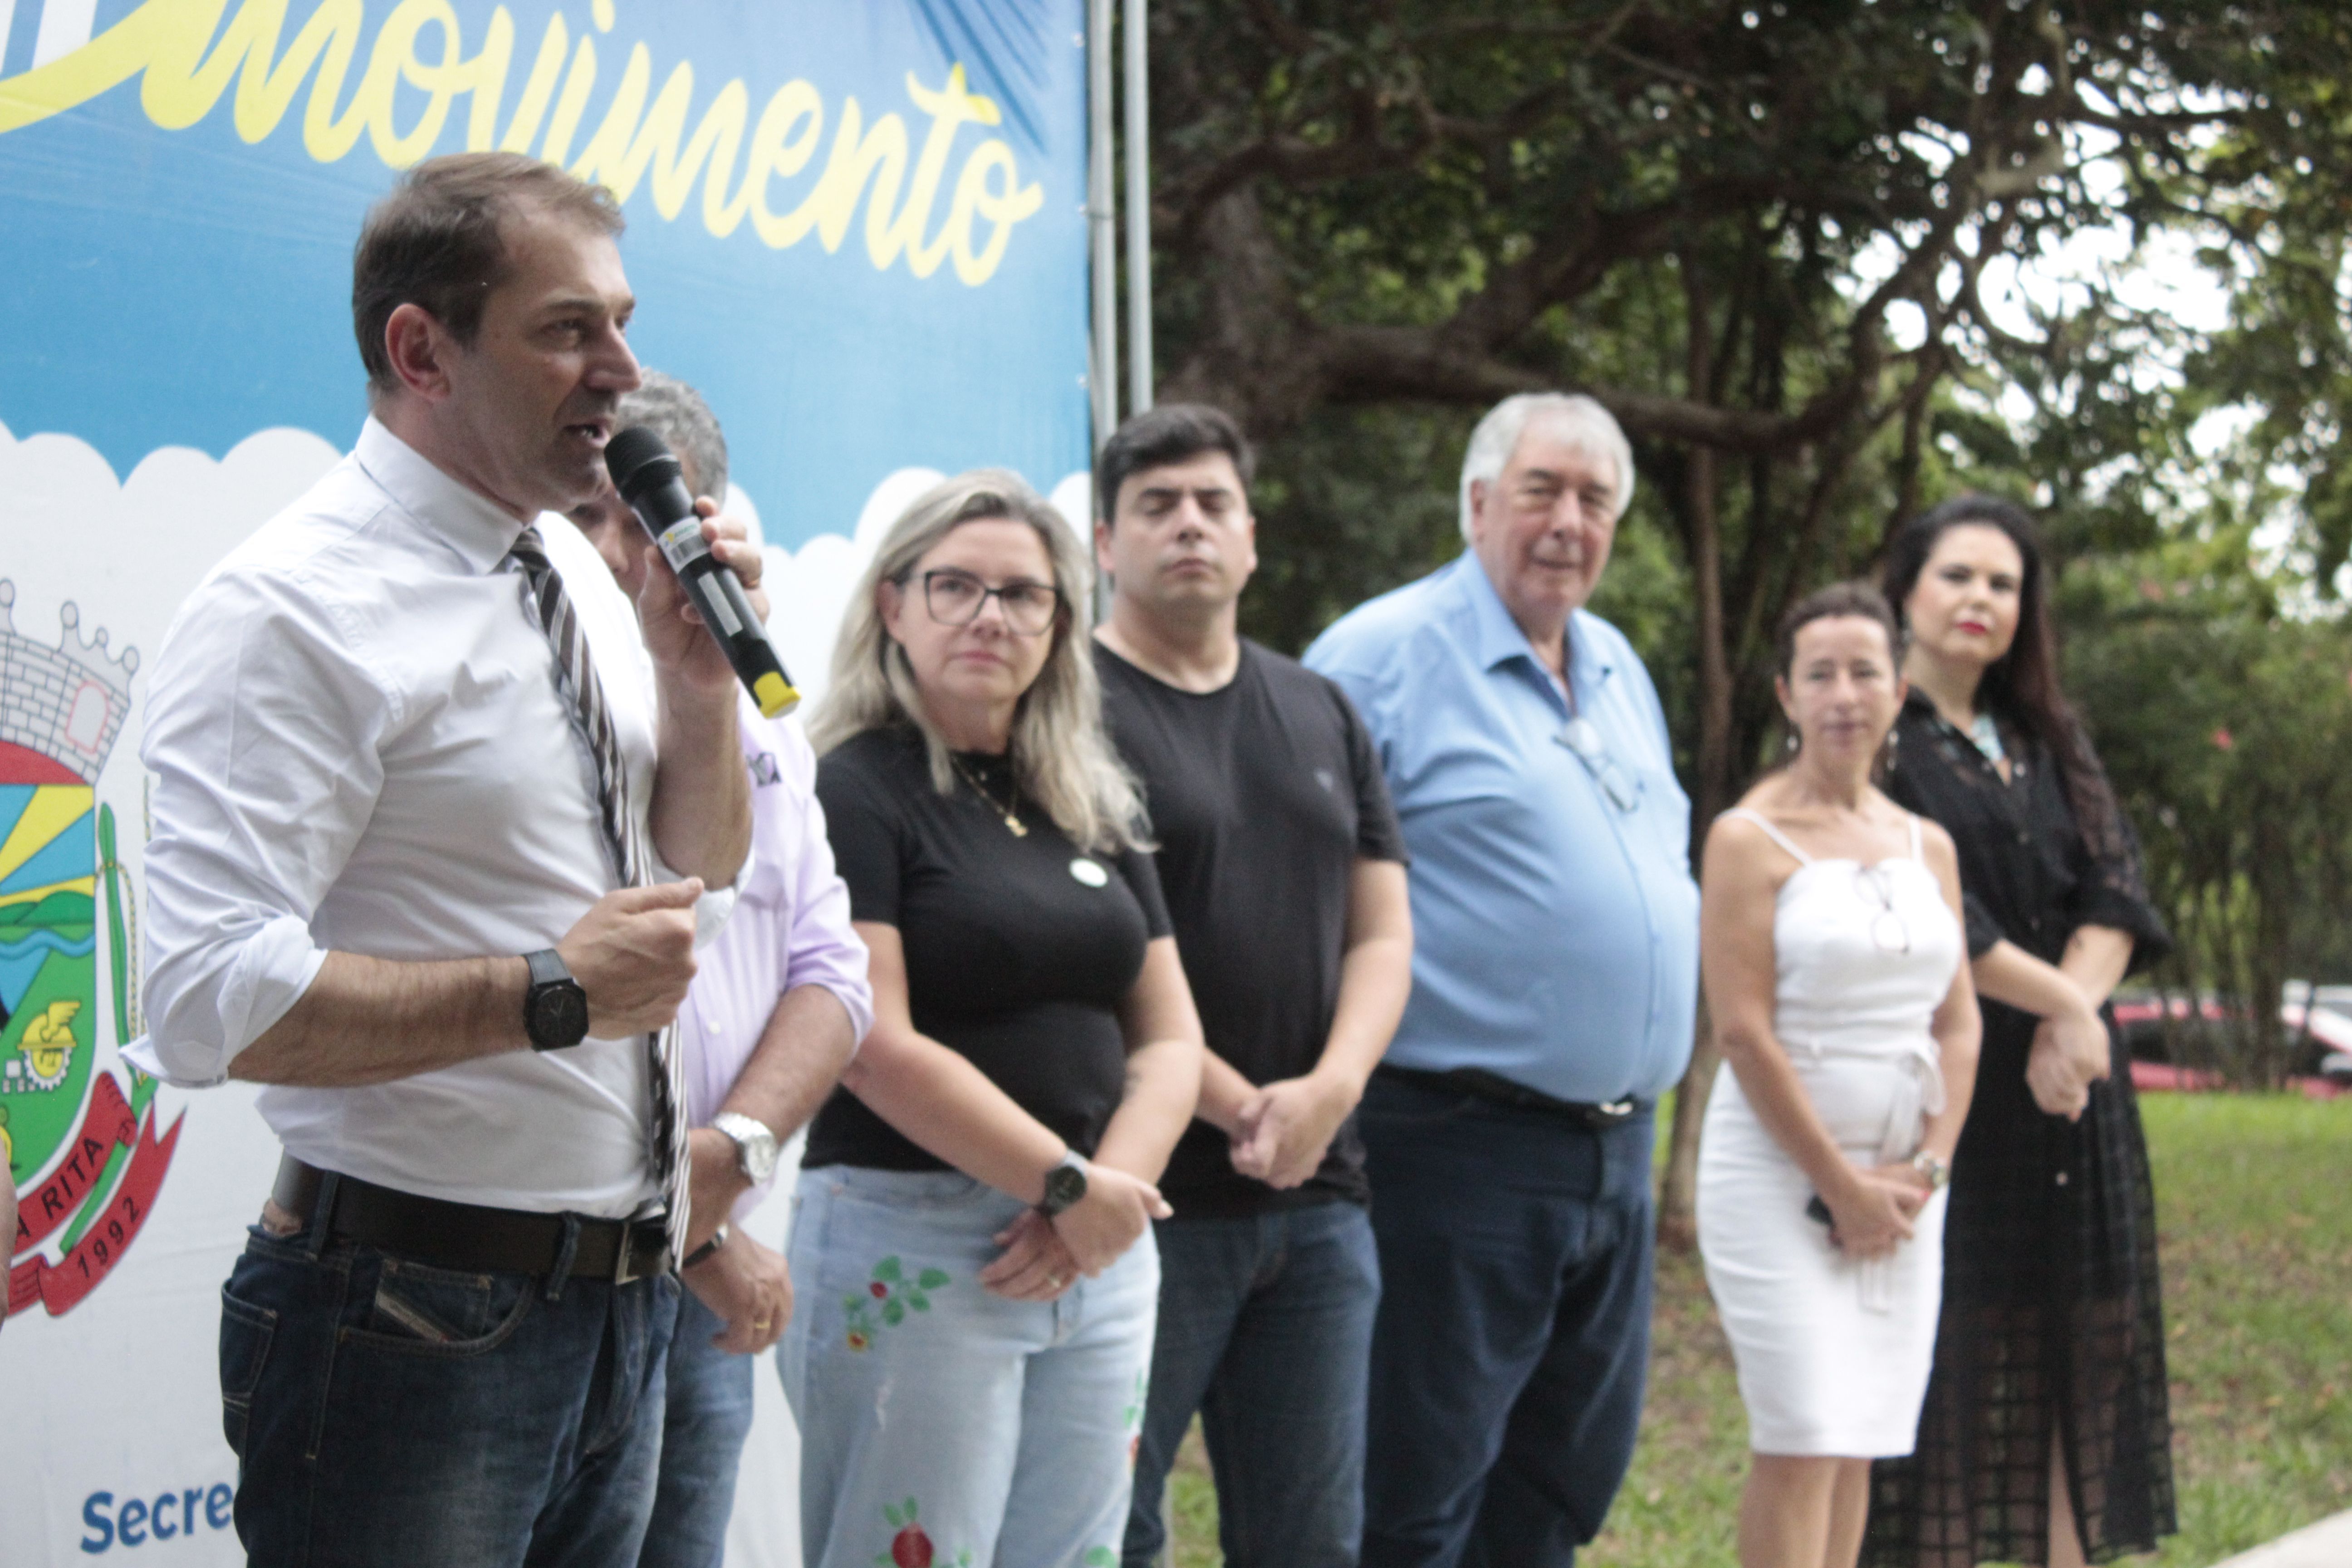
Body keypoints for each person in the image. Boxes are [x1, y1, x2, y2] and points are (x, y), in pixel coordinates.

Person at [127, 152, 765, 1566]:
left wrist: (698, 692)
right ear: (422, 351)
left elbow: (702, 865)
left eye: (623, 322)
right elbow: (204, 999)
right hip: (411, 1315)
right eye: (569, 330)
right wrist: (549, 992)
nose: (624, 372)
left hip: (619, 1305)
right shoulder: (293, 607)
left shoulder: (577, 569)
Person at [1305, 391, 1700, 1567]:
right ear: (1478, 503)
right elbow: (1302, 897)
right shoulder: (1377, 657)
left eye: (1596, 500)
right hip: (1452, 1148)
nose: (1570, 522)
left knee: (1559, 1489)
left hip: (1617, 1153)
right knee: (1416, 1493)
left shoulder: (1618, 663)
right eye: (1543, 491)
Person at [784, 470, 1205, 1568]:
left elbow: (1172, 1040)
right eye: (955, 586)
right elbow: (872, 1044)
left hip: (1100, 1248)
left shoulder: (1090, 795)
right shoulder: (852, 790)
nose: (989, 615)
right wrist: (1062, 1187)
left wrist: (1104, 1200)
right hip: (918, 1234)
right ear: (893, 605)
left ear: (1060, 623)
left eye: (1022, 594)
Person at [1089, 405, 1413, 1568]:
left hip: (1319, 1197)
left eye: (1212, 502)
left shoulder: (1320, 706)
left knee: (1309, 1541)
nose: (1190, 524)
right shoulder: (1065, 710)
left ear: (1251, 537)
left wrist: (1330, 1091)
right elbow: (1097, 950)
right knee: (1111, 1529)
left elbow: (1383, 930)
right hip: (1145, 1196)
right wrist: (1243, 1111)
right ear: (1104, 543)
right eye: (1157, 505)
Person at [564, 371, 875, 1568]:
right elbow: (551, 993)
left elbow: (831, 968)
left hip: (707, 1244)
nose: (618, 552)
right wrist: (688, 1235)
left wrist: (735, 1155)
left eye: (647, 520)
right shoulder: (529, 699)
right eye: (585, 514)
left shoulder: (756, 702)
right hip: (563, 1262)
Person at [1864, 496, 2177, 1568]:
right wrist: (2065, 1007)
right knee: (1951, 1374)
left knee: (2090, 1346)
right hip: (1951, 1091)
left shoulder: (2052, 738)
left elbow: (2117, 889)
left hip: (2074, 1089)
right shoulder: (1879, 738)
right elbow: (1938, 918)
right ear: (1907, 591)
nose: (1981, 599)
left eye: (2003, 584)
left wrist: (2071, 1017)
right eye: (1957, 576)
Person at [1697, 583, 1980, 1568]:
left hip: (1906, 1187)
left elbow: (1959, 1023)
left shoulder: (1927, 846)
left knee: (1862, 1434)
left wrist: (1927, 1172)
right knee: (1806, 1431)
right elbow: (1742, 1034)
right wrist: (1840, 1186)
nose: (1844, 695)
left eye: (1865, 672)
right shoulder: (1746, 838)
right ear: (1787, 694)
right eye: (1820, 675)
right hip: (1779, 1177)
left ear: (1900, 691)